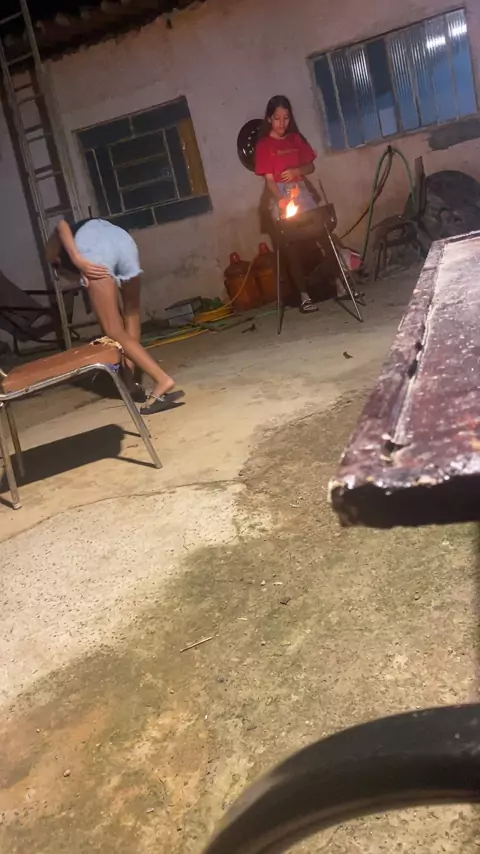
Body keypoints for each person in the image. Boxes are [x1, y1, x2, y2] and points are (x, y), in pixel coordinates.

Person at [46, 218, 180, 415]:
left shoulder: (57, 257)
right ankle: (130, 381)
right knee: (131, 315)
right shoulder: (86, 230)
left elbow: (60, 225)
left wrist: (78, 260)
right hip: (122, 239)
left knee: (113, 329)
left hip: (94, 247)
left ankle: (162, 380)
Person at [255, 95, 351, 311]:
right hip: (280, 195)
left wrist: (296, 171)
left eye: (286, 118)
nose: (282, 123)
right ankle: (304, 296)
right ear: (269, 118)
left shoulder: (295, 139)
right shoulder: (264, 145)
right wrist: (281, 201)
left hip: (302, 193)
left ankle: (341, 285)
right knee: (292, 247)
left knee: (324, 236)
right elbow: (269, 181)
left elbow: (311, 167)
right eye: (277, 118)